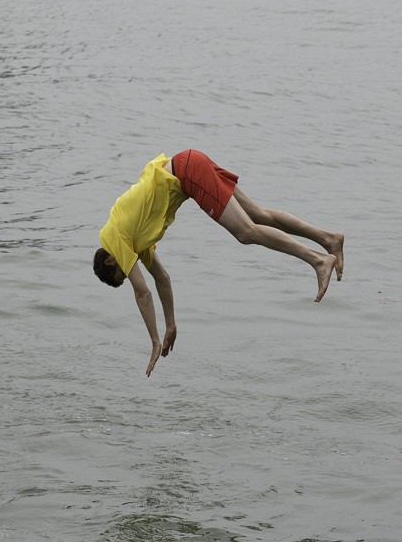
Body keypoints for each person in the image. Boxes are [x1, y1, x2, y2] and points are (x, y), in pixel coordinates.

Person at [93, 150, 344, 376]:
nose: (131, 270)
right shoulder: (131, 240)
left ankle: (318, 260)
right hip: (189, 163)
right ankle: (329, 239)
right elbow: (162, 279)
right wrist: (170, 324)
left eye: (124, 273)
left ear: (110, 260)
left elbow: (143, 293)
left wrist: (155, 341)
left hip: (188, 173)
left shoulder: (114, 238)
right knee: (258, 216)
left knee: (245, 232)